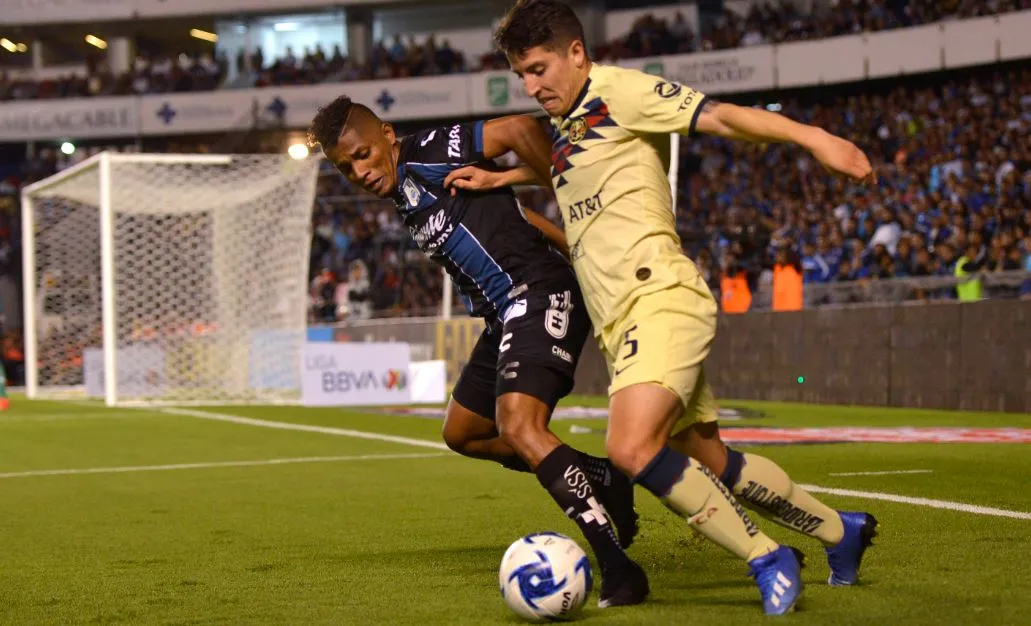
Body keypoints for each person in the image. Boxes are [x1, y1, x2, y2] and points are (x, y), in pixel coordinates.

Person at [444, 0, 879, 614]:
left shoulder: (619, 90)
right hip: (624, 319)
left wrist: (814, 137)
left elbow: (721, 117)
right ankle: (841, 532)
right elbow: (584, 212)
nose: (530, 85)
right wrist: (504, 183)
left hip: (661, 299)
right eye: (521, 75)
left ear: (577, 53)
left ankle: (766, 556)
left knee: (628, 448)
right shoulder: (569, 129)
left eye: (539, 68)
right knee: (706, 455)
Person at [306, 97, 647, 605]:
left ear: (386, 134)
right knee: (463, 432)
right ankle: (601, 477)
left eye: (362, 154)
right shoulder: (405, 191)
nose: (359, 171)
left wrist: (569, 195)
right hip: (502, 316)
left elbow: (516, 127)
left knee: (518, 425)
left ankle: (619, 568)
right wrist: (576, 250)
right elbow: (518, 216)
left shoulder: (426, 153)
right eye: (345, 166)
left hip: (536, 292)